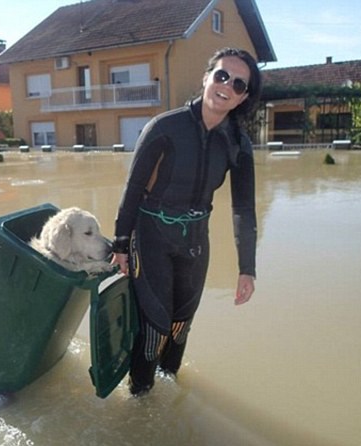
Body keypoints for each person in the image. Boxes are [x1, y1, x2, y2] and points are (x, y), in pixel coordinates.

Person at [111, 47, 261, 396]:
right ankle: (140, 398)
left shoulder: (238, 145)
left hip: (195, 239)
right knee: (156, 325)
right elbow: (133, 188)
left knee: (181, 324)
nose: (227, 85)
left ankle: (170, 393)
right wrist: (120, 244)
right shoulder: (165, 127)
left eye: (238, 84)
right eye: (222, 75)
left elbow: (244, 209)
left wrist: (247, 268)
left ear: (242, 98)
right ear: (207, 77)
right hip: (150, 234)